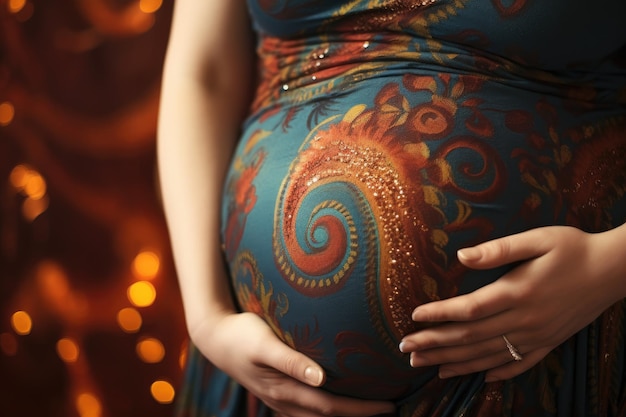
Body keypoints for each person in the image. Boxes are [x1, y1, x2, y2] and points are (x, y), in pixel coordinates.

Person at [157, 0, 626, 416]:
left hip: (554, 345)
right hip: (259, 373)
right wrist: (207, 316)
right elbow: (204, 72)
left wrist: (609, 267)